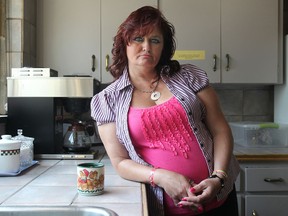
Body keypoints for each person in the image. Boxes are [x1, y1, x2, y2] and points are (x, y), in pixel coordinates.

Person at [91, 5, 240, 216]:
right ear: (124, 43)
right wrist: (160, 176)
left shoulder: (189, 77)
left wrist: (219, 177)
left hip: (219, 199)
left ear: (163, 47)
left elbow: (220, 129)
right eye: (138, 39)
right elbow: (120, 161)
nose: (146, 47)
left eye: (155, 40)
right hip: (164, 208)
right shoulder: (107, 100)